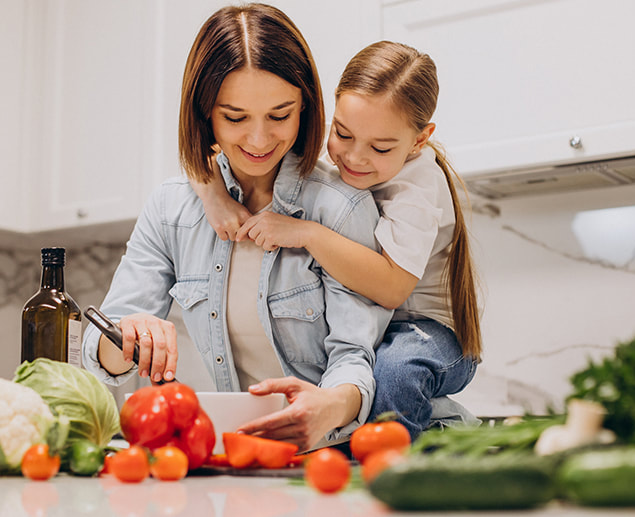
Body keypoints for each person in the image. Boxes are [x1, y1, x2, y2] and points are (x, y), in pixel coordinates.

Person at [81, 3, 392, 451]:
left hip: (332, 457)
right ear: (204, 112)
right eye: (235, 117)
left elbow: (354, 357)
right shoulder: (172, 208)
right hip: (240, 458)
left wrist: (329, 406)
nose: (260, 140)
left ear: (305, 104)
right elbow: (102, 352)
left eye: (280, 115)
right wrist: (130, 333)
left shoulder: (339, 208)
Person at [194, 41, 482, 440]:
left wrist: (306, 233)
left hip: (432, 335)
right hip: (377, 332)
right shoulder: (337, 165)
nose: (354, 157)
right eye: (342, 134)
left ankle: (395, 473)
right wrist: (213, 195)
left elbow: (392, 288)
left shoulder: (419, 188)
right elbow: (203, 151)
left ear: (419, 140)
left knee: (394, 372)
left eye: (381, 147)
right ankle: (442, 426)